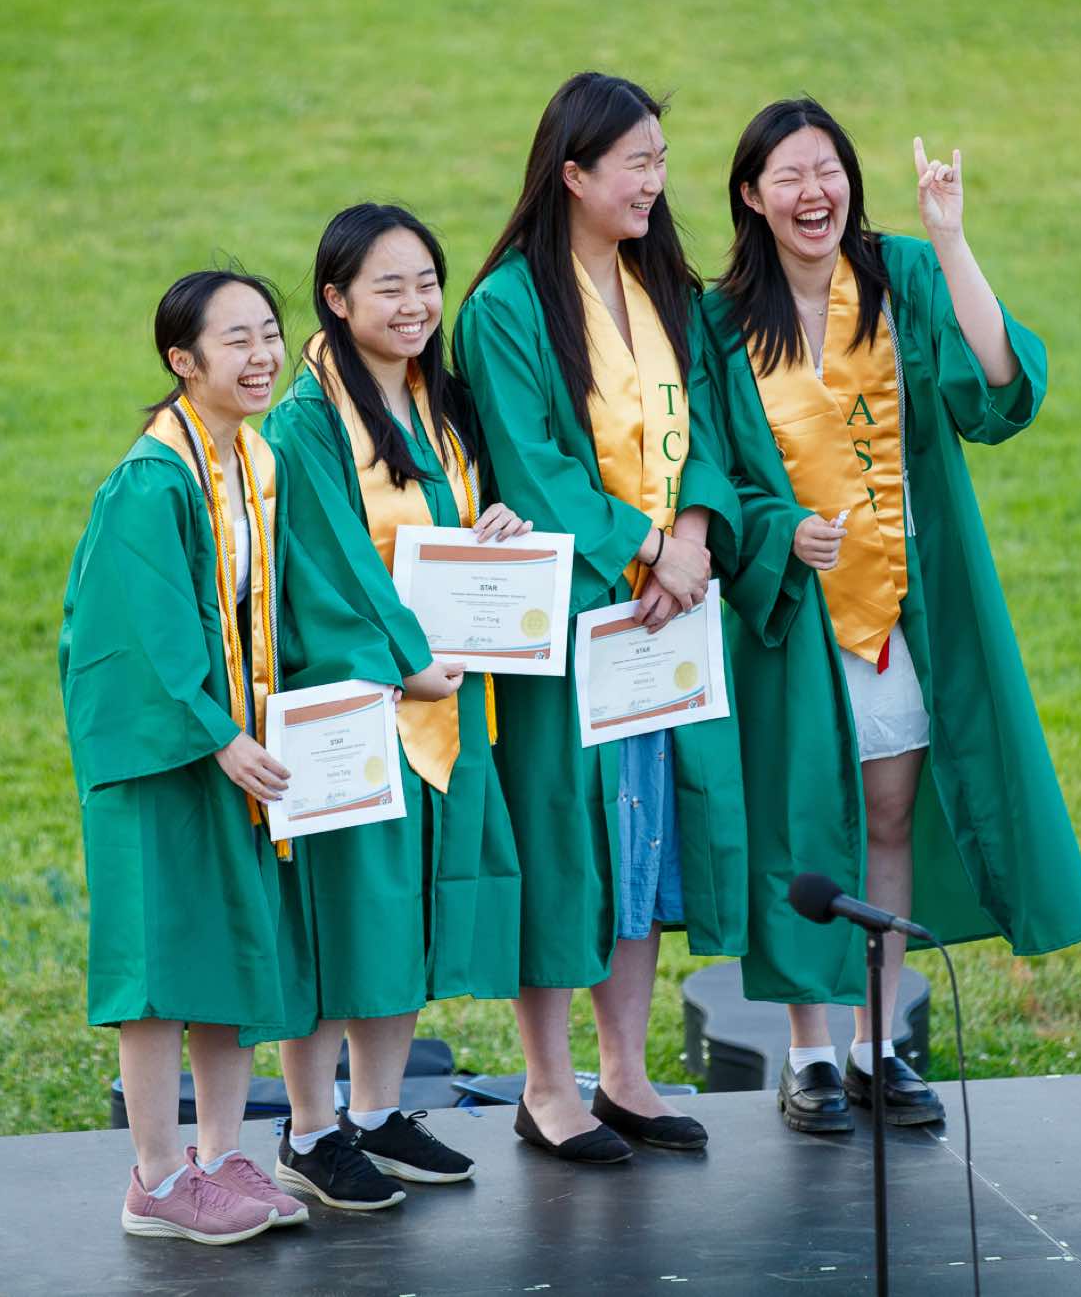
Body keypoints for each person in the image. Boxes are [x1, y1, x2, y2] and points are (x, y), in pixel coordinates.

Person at [699, 98, 1081, 1134]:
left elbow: (997, 389)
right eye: (789, 175)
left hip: (903, 600)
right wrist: (775, 530)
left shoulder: (903, 278)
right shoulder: (720, 321)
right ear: (750, 194)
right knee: (800, 825)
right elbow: (707, 468)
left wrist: (953, 238)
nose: (814, 193)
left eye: (828, 169)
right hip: (790, 613)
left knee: (887, 816)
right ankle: (809, 1055)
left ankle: (876, 1045)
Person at [59, 269, 402, 1243]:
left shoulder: (254, 459)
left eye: (268, 334)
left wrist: (357, 680)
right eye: (235, 340)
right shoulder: (152, 480)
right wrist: (217, 735)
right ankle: (156, 1177)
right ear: (182, 360)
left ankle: (217, 1156)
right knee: (160, 964)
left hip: (241, 751)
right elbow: (143, 630)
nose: (261, 356)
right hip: (165, 761)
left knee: (233, 945)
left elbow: (292, 602)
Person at [451, 72, 749, 1162]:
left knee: (643, 839)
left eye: (662, 160)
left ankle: (624, 1074)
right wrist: (648, 548)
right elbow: (531, 464)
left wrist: (694, 538)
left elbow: (708, 429)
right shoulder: (507, 307)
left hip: (665, 615)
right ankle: (546, 1086)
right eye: (637, 163)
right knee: (562, 838)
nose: (655, 182)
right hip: (570, 623)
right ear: (572, 173)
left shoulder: (660, 284)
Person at [260, 204, 530, 1209]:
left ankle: (375, 1114)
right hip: (355, 704)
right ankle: (308, 1129)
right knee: (339, 920)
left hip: (439, 702)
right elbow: (328, 564)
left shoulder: (436, 399)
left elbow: (439, 530)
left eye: (427, 282)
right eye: (390, 286)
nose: (417, 304)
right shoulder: (307, 419)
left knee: (401, 915)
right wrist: (405, 661)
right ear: (335, 299)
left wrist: (493, 532)